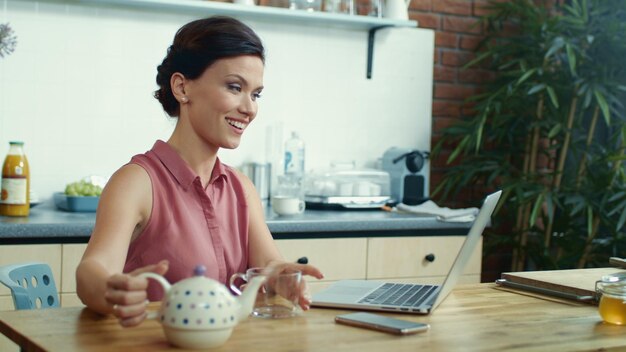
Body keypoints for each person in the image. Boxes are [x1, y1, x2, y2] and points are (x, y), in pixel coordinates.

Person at [75, 16, 323, 327]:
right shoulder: (137, 182)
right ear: (181, 87)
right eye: (235, 87)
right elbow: (92, 271)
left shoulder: (240, 187)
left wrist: (285, 277)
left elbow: (268, 266)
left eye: (256, 94)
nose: (250, 108)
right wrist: (112, 291)